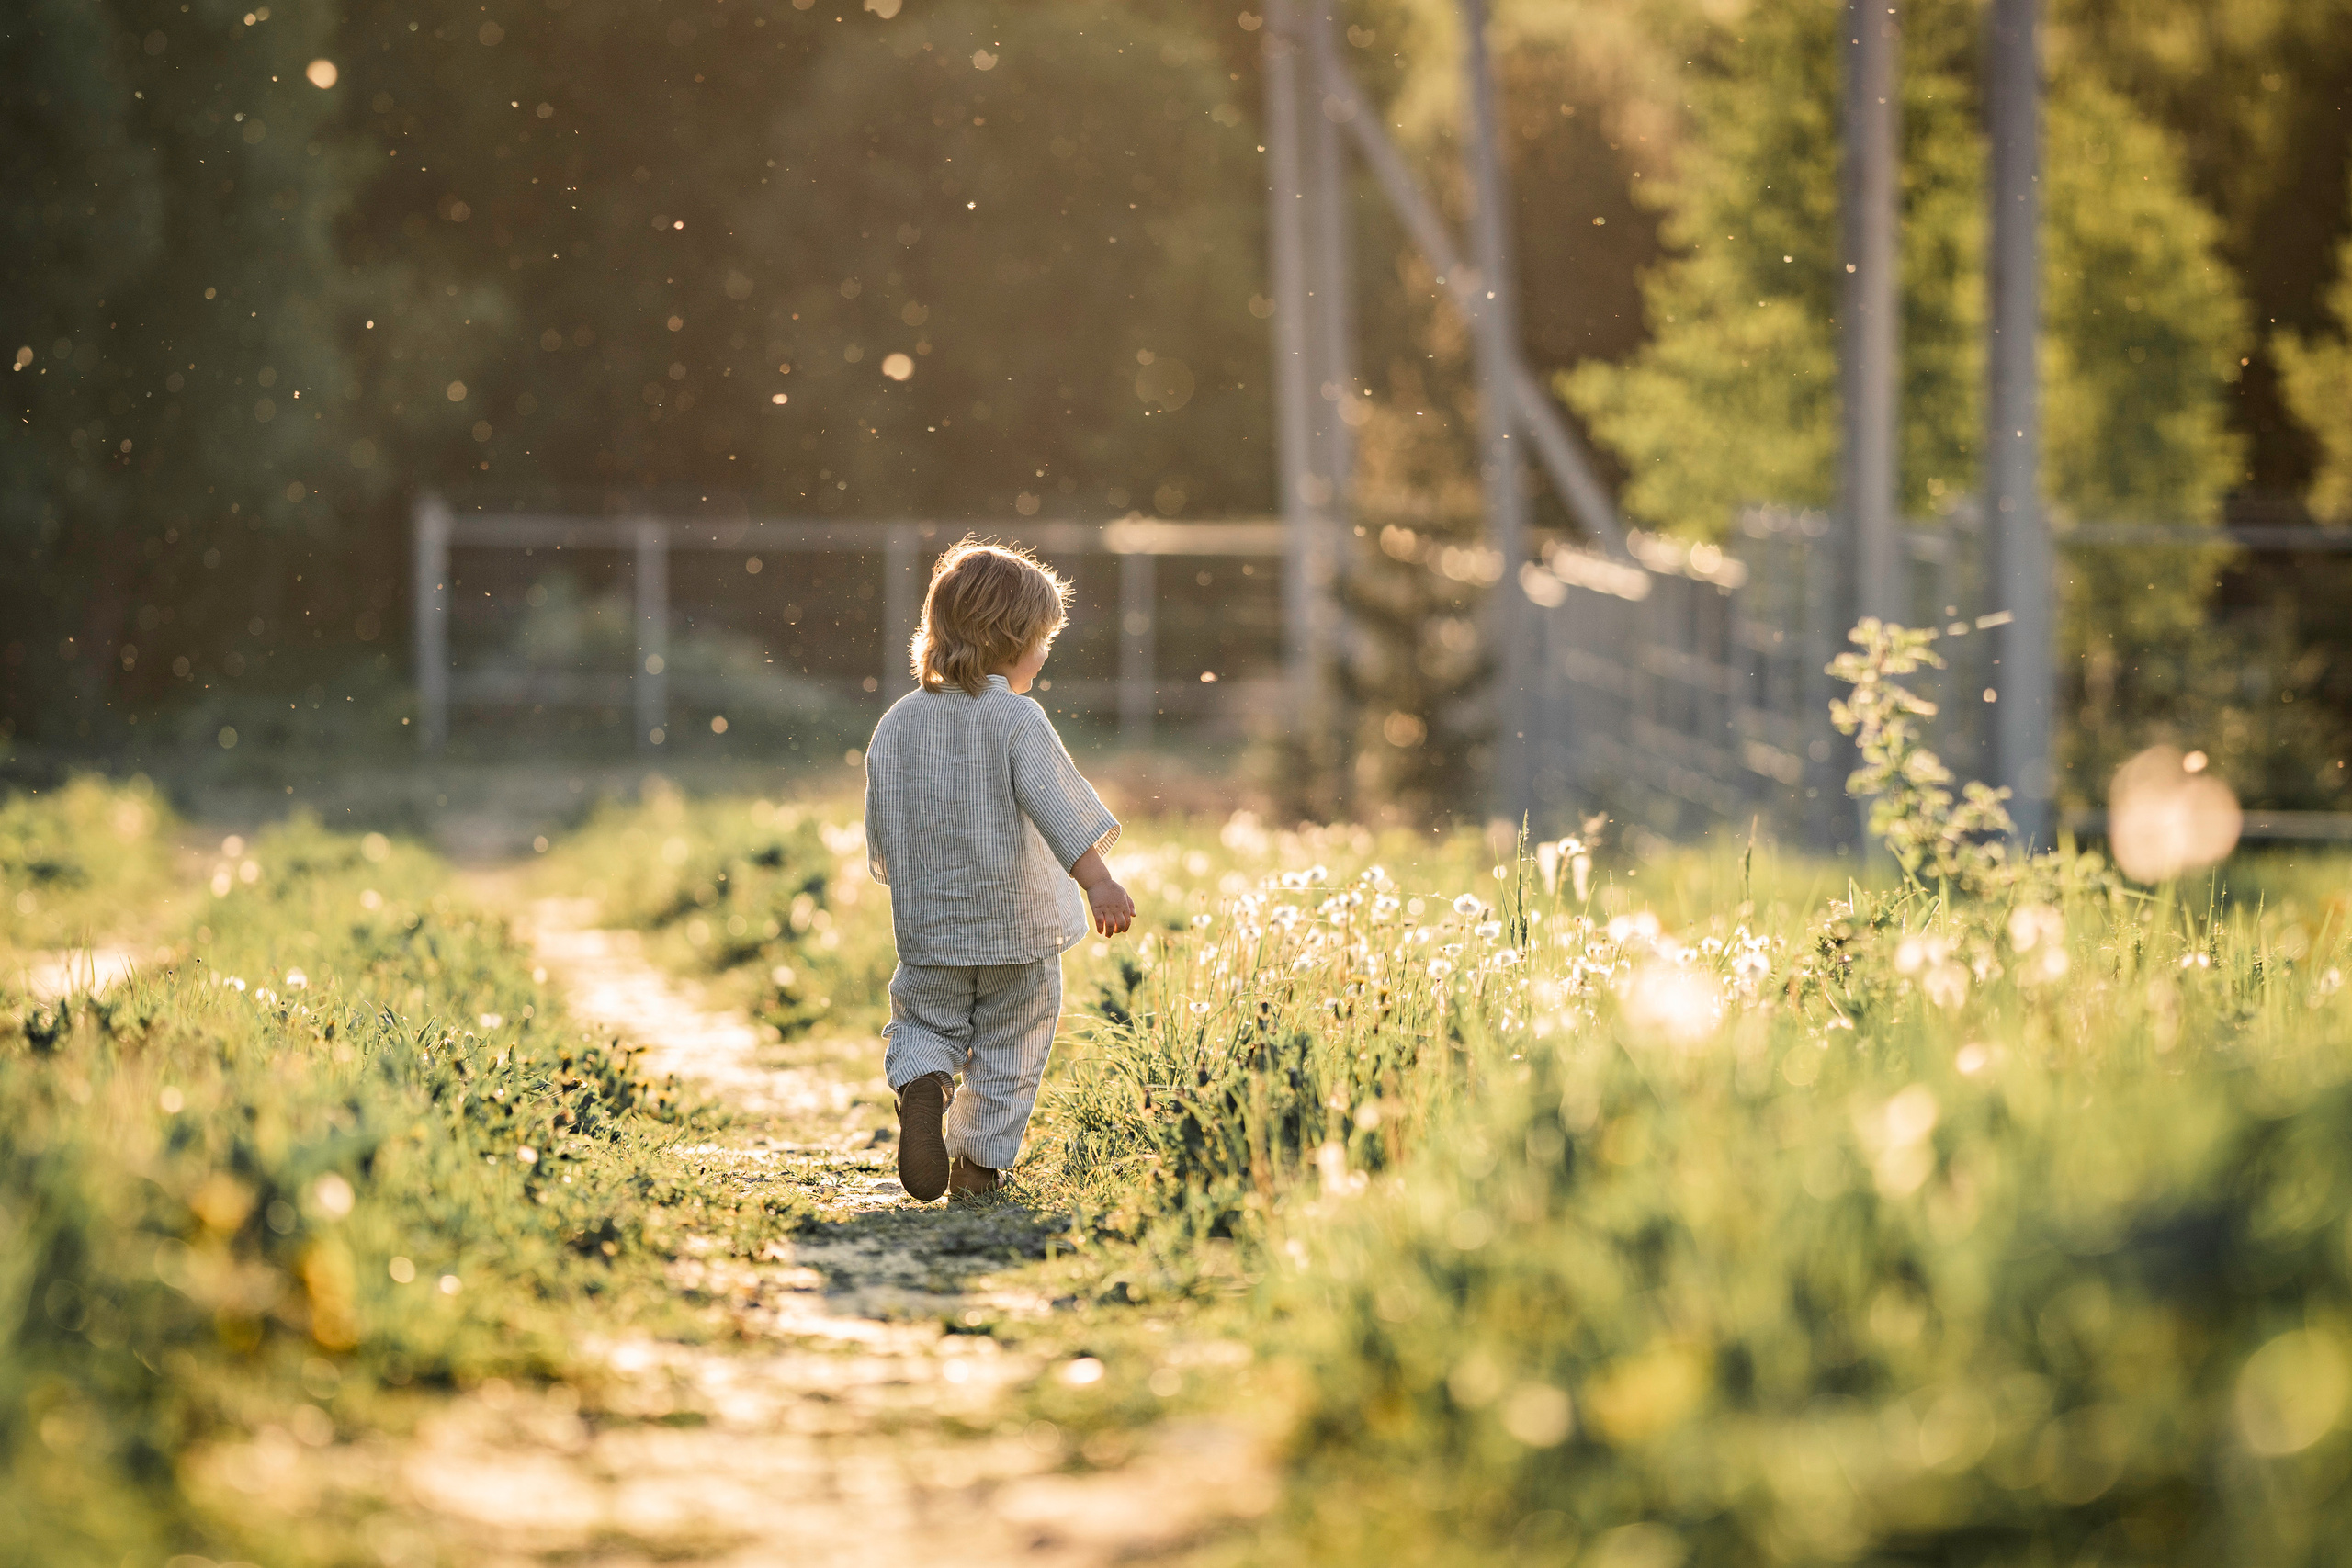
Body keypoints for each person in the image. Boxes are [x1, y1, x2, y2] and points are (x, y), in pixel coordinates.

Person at [862, 538, 1136, 1201]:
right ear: (1012, 640)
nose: (1044, 653)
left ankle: (924, 1083)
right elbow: (1059, 807)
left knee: (924, 1023)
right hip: (1021, 934)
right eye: (1041, 639)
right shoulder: (1017, 719)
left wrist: (912, 880)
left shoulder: (897, 723)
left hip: (932, 934)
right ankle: (978, 1167)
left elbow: (882, 828)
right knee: (1014, 1045)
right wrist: (1099, 881)